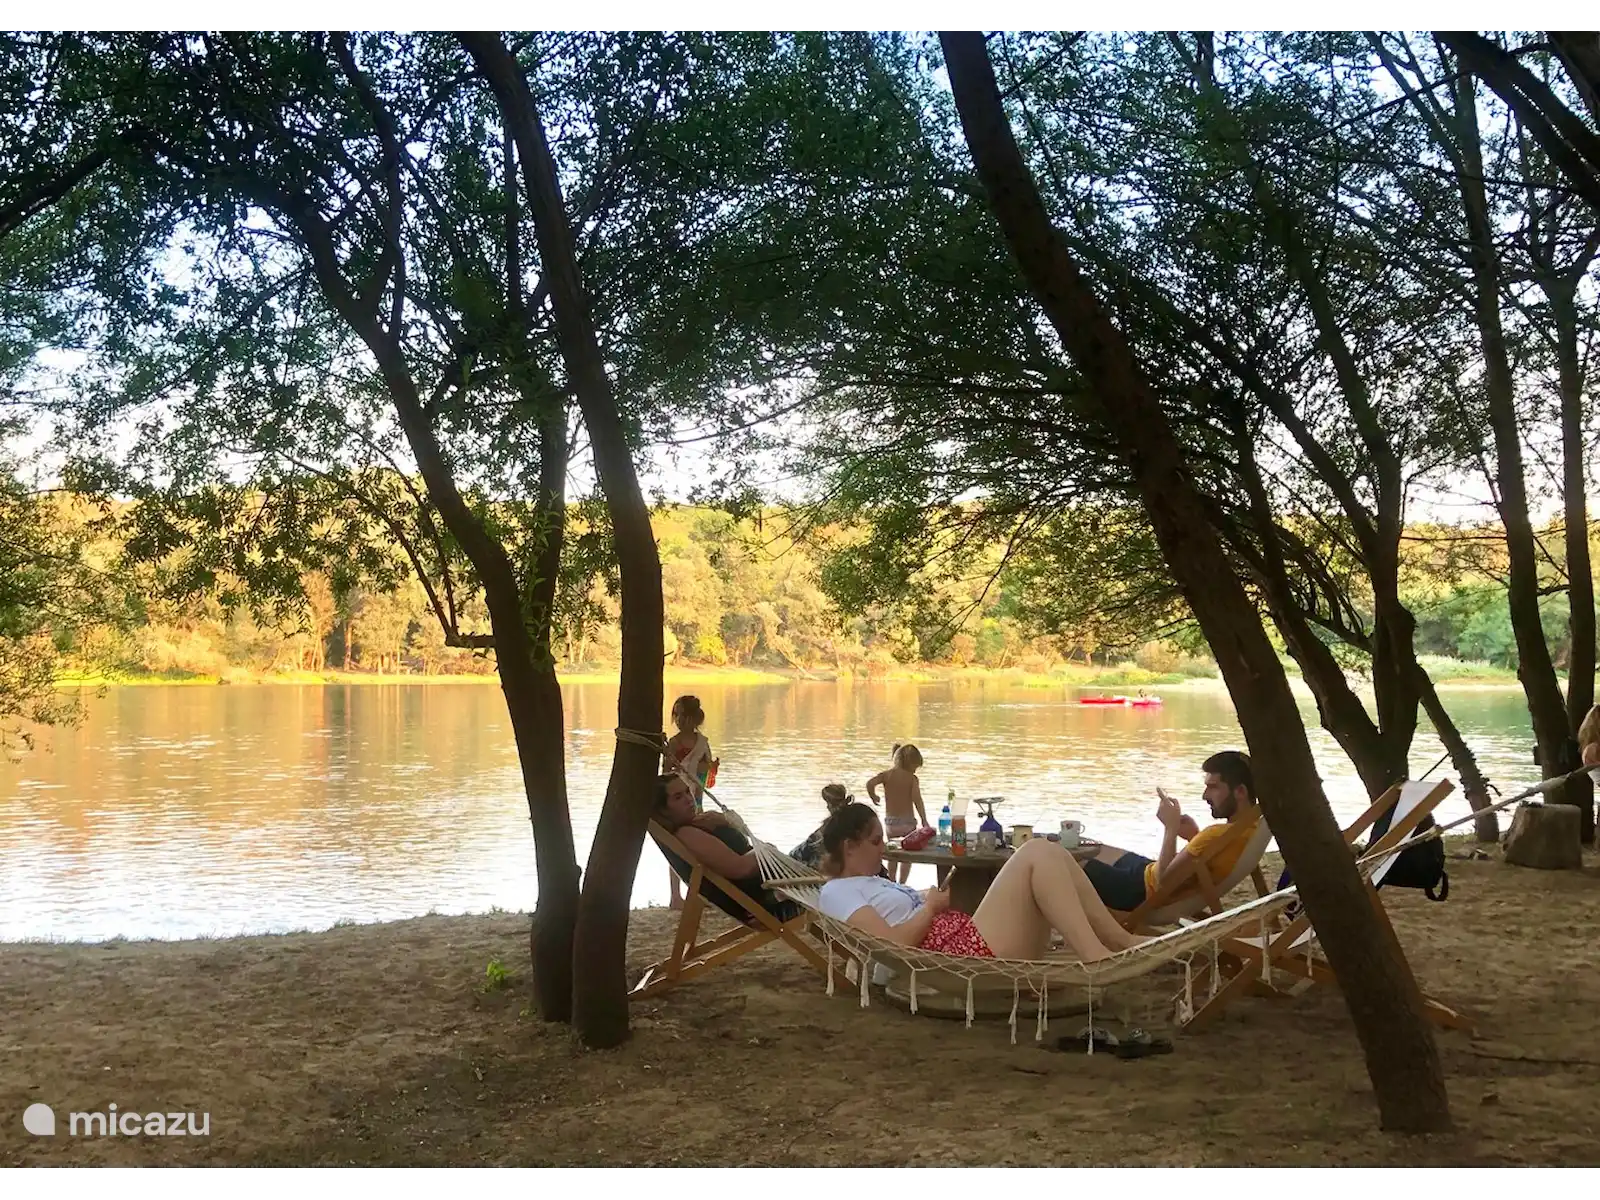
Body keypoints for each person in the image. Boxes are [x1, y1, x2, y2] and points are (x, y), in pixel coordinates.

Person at [815, 802, 1148, 961]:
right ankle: (1095, 953)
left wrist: (928, 900)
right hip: (961, 955)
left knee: (1052, 852)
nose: (882, 849)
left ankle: (1118, 939)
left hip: (971, 940)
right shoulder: (837, 891)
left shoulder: (870, 883)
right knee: (1035, 851)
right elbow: (890, 944)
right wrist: (930, 908)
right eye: (875, 841)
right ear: (849, 847)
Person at [1078, 750, 1263, 913]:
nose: (1204, 795)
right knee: (1093, 849)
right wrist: (1194, 836)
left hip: (1137, 891)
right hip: (1147, 871)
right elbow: (1207, 864)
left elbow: (1163, 883)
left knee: (1071, 863)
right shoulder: (1250, 828)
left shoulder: (1217, 834)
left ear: (1240, 792)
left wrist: (1171, 828)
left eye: (1213, 787)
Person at [652, 773, 800, 924]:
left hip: (784, 887)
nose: (689, 799)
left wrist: (725, 821)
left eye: (687, 791)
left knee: (816, 846)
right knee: (816, 843)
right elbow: (741, 868)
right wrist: (768, 848)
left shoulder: (699, 824)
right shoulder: (688, 835)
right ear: (663, 810)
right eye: (678, 797)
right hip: (774, 900)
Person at [662, 695, 714, 910]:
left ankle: (697, 893)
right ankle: (675, 896)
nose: (679, 719)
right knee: (676, 846)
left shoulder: (703, 743)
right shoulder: (673, 743)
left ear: (695, 717)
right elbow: (665, 775)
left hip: (696, 801)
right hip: (677, 801)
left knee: (697, 848)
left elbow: (706, 773)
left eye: (683, 714)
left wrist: (708, 768)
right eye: (676, 714)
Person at [792, 784, 889, 878]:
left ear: (829, 805)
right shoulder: (858, 825)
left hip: (823, 878)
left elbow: (795, 856)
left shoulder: (823, 833)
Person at [866, 743, 928, 883]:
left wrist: (873, 796)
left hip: (891, 824)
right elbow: (917, 800)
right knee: (907, 857)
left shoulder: (886, 775)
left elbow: (870, 783)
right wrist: (924, 819)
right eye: (915, 767)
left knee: (892, 855)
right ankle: (903, 883)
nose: (915, 771)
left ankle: (892, 881)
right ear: (910, 764)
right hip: (908, 823)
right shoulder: (912, 779)